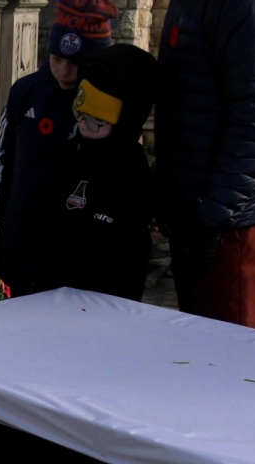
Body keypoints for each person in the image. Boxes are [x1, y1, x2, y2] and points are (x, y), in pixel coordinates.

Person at [155, 0, 255, 330]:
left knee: (233, 361)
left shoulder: (252, 6)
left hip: (234, 220)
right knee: (197, 351)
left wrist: (213, 218)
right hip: (199, 208)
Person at [0, 0, 118, 296]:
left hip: (73, 245)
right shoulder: (26, 91)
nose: (64, 72)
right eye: (56, 59)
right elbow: (3, 157)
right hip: (21, 235)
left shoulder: (106, 104)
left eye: (76, 63)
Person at [32, 43, 159, 301]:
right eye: (80, 115)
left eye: (96, 120)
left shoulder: (128, 169)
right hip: (55, 286)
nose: (84, 126)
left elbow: (111, 240)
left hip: (102, 292)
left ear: (124, 120)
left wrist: (70, 275)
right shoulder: (74, 151)